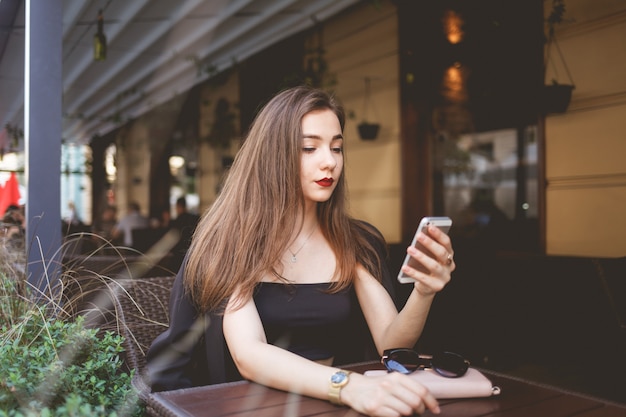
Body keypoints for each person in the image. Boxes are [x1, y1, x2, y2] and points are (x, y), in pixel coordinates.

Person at [146, 86, 455, 416]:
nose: (330, 162)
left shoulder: (357, 241)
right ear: (273, 156)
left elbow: (392, 346)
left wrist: (423, 291)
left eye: (337, 148)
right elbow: (249, 354)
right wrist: (348, 385)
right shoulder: (229, 242)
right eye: (309, 148)